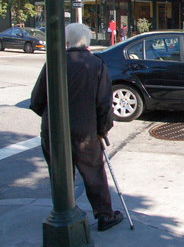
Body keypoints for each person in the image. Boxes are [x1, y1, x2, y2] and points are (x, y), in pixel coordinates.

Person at [30, 23, 124, 232]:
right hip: (85, 131)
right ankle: (105, 216)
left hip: (54, 131)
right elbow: (104, 104)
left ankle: (64, 211)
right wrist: (102, 129)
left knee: (60, 175)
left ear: (67, 42)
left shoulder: (54, 63)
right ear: (87, 42)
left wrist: (51, 118)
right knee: (94, 174)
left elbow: (37, 100)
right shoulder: (96, 64)